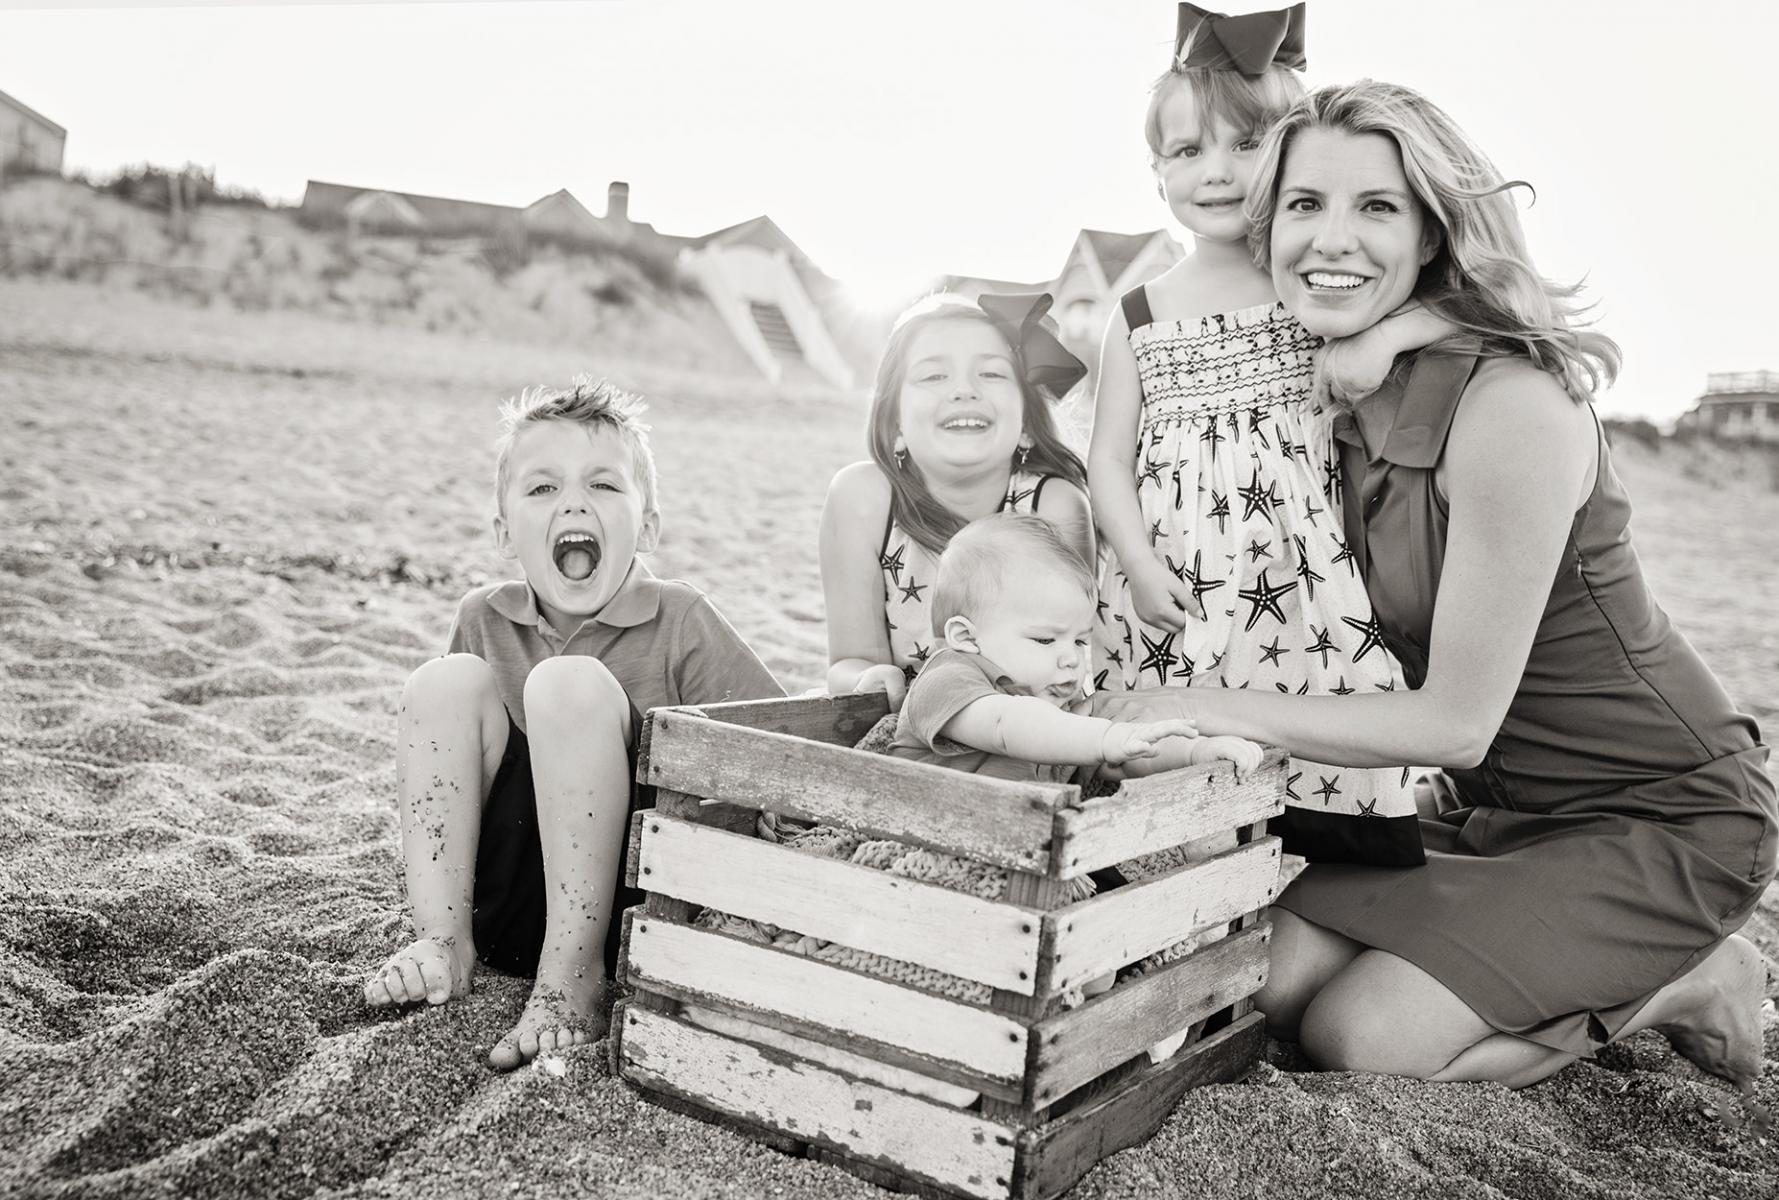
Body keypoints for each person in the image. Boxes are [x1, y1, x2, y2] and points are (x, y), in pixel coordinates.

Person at [1107, 78, 1778, 1096]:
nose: (1332, 239)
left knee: (1362, 1036)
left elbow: (1456, 724)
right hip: (1487, 813)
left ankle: (1699, 978)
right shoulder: (1322, 389)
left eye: (1377, 207)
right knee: (1268, 980)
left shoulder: (1513, 410)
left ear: (1429, 234)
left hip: (1656, 815)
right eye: (1305, 205)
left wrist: (1188, 706)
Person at [1089, 2, 1449, 864]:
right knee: (1166, 742)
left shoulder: (1313, 282)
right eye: (1187, 151)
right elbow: (1105, 454)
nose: (1215, 172)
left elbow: (1461, 312)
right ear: (1156, 172)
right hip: (1174, 571)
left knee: (1311, 733)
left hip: (1298, 566)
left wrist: (1383, 336)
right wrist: (1137, 564)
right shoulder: (1139, 311)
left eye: (1245, 145)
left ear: (1287, 159)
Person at [362, 377, 781, 1069]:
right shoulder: (484, 619)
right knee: (444, 682)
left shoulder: (680, 620)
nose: (574, 503)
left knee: (566, 686)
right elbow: (451, 768)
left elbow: (777, 751)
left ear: (646, 525)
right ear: (504, 533)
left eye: (604, 486)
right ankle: (443, 938)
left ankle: (571, 975)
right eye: (542, 489)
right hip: (503, 912)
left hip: (625, 913)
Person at [821, 291, 1092, 709]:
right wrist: (869, 679)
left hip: (1030, 727)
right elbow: (847, 662)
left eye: (992, 374)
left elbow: (1071, 664)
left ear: (1026, 425)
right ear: (895, 422)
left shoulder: (1052, 505)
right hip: (904, 726)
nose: (965, 390)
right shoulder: (863, 499)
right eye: (933, 377)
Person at [889, 512, 1263, 784]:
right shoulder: (946, 680)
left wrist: (1193, 753)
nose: (1071, 659)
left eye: (1080, 641)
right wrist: (1105, 738)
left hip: (1024, 846)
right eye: (1045, 640)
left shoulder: (1060, 712)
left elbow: (1124, 757)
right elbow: (1006, 725)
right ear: (967, 638)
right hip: (927, 834)